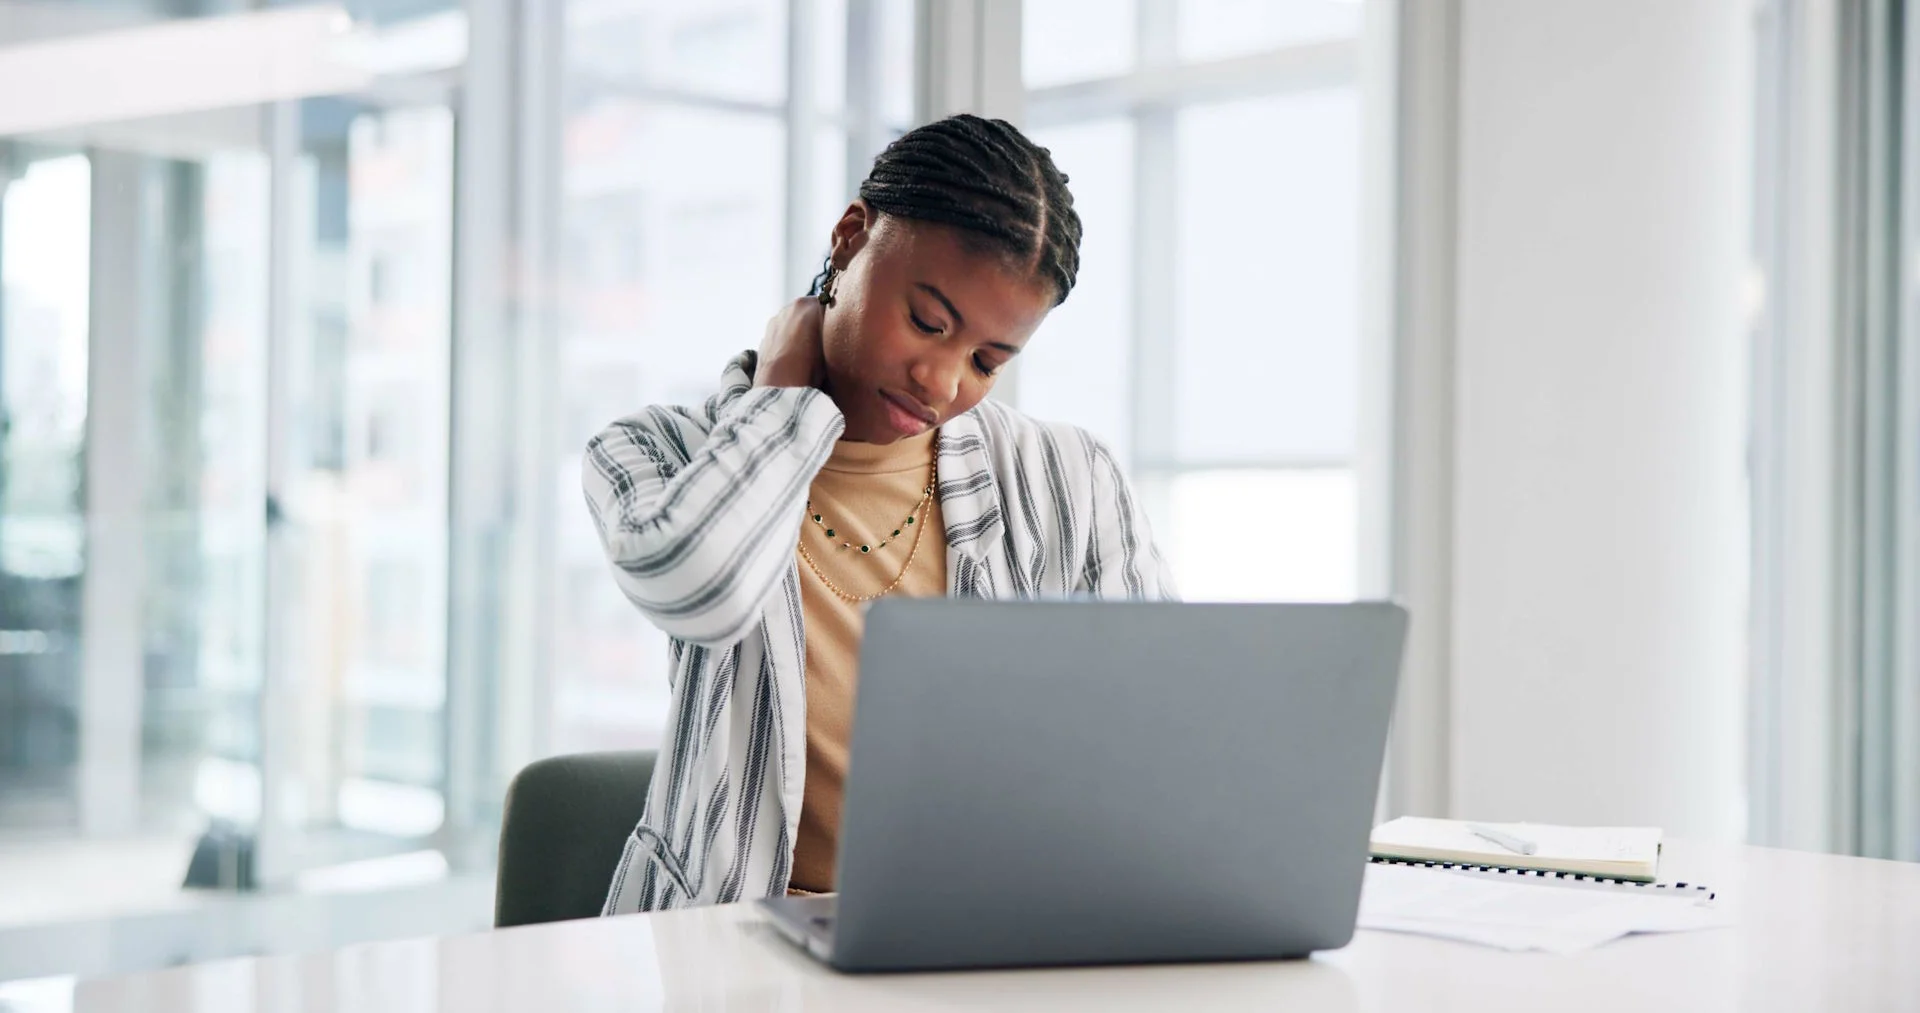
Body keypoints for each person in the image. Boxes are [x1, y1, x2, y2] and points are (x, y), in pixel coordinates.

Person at [585, 114, 1177, 914]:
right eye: (928, 322)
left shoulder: (1072, 477)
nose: (941, 381)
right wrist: (781, 406)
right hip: (722, 943)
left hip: (972, 940)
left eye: (986, 361)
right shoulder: (656, 450)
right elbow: (702, 588)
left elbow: (1160, 733)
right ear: (850, 237)